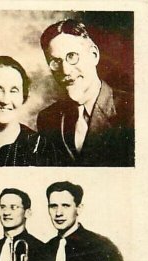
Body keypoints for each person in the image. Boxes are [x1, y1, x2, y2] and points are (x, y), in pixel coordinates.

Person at [37, 19, 134, 167]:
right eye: (56, 62)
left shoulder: (132, 110)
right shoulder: (48, 119)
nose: (66, 70)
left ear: (94, 55)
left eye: (72, 56)